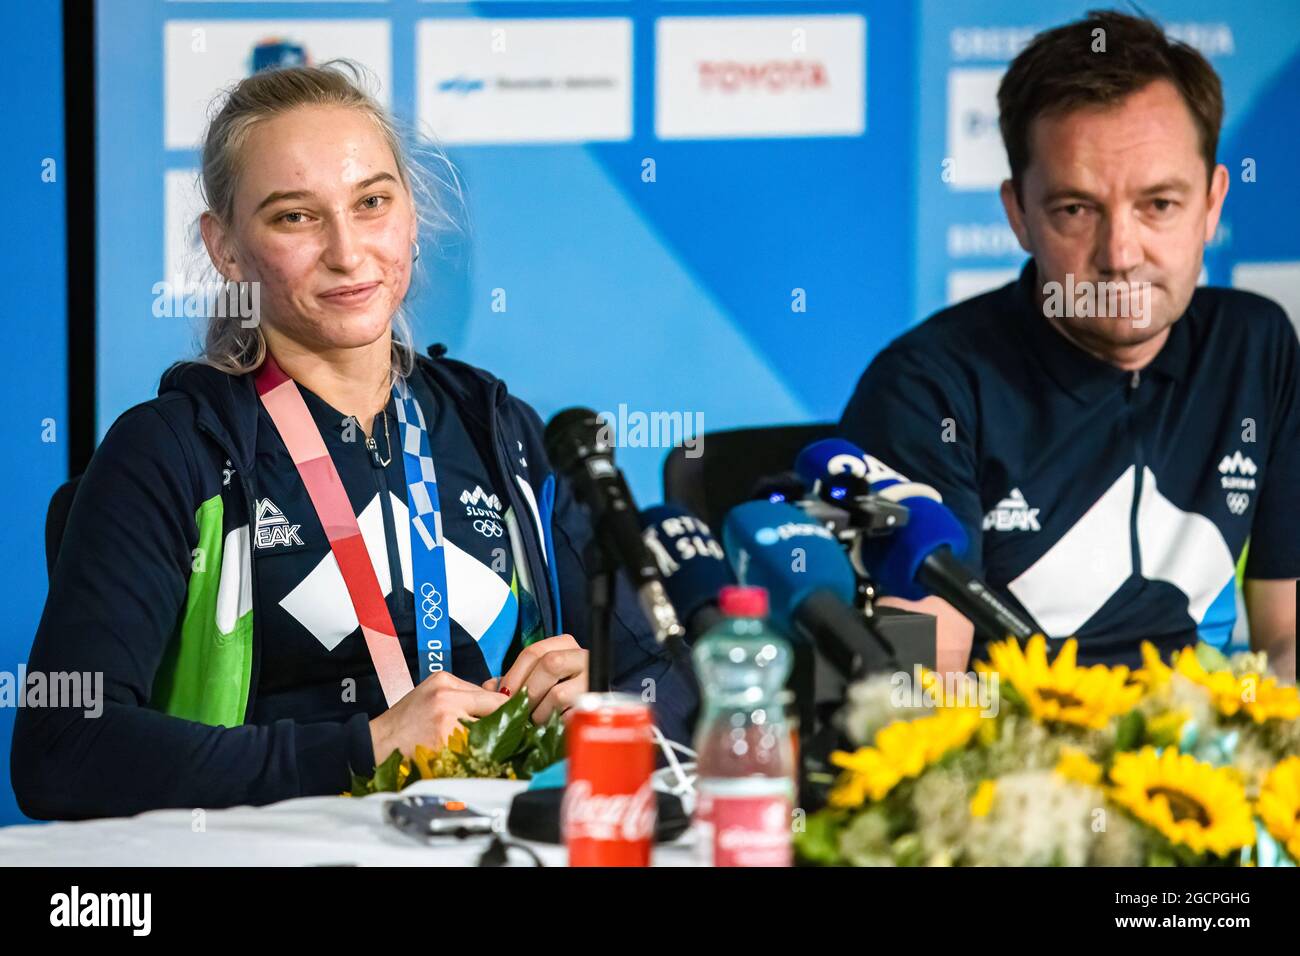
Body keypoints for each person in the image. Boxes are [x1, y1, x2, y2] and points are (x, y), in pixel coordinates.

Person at [13, 62, 694, 821]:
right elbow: (61, 752)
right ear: (227, 249)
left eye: (371, 202)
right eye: (294, 217)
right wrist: (366, 747)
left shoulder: (500, 432)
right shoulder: (170, 452)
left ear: (411, 211)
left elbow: (678, 688)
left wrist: (600, 693)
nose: (346, 251)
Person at [841, 11, 1297, 678]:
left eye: (1159, 205)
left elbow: (1286, 645)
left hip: (1205, 771)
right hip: (1010, 771)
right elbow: (920, 693)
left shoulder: (1258, 348)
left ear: (1212, 203)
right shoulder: (927, 388)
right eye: (1075, 210)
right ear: (1019, 215)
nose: (1119, 254)